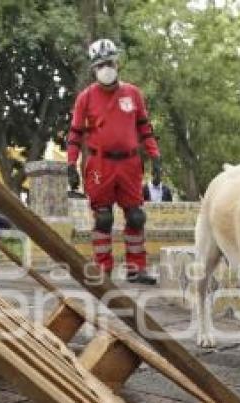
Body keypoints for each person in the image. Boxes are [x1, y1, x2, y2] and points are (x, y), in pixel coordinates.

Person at [66, 39, 161, 285]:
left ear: (117, 63)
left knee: (136, 216)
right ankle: (103, 269)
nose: (105, 68)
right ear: (93, 69)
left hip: (130, 164)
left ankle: (136, 269)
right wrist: (71, 164)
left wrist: (155, 156)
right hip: (100, 165)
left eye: (109, 63)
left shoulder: (133, 93)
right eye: (100, 65)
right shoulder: (85, 98)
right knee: (103, 218)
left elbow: (145, 127)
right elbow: (75, 134)